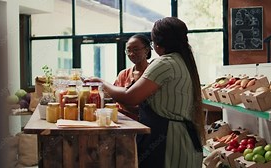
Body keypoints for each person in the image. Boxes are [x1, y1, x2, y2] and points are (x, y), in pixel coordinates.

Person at [85, 17, 205, 168]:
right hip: (180, 138)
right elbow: (137, 97)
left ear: (156, 44)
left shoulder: (165, 63)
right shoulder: (181, 60)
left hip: (169, 140)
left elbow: (131, 97)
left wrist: (100, 82)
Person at [114, 34, 151, 120]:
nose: (131, 54)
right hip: (126, 123)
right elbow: (115, 97)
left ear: (146, 50)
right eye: (128, 50)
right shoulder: (123, 74)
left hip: (149, 123)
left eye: (136, 49)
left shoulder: (153, 73)